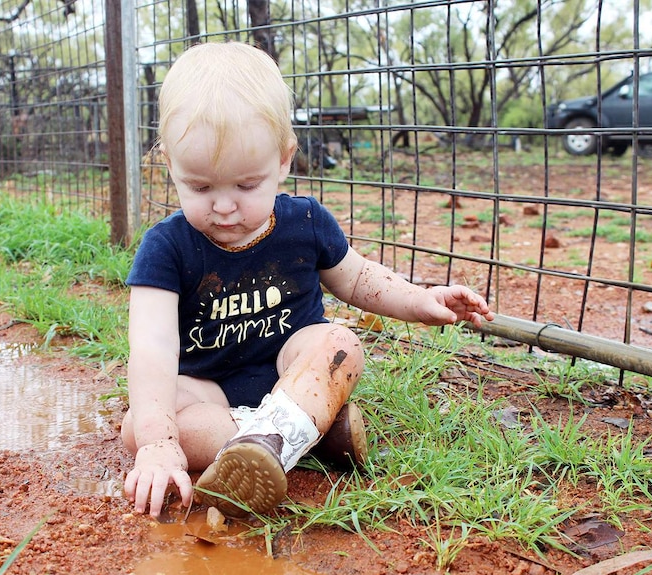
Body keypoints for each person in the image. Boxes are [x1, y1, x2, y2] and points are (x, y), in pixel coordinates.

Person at [121, 41, 494, 518]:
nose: (223, 205)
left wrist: (420, 300)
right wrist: (158, 442)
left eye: (246, 185)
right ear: (170, 164)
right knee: (139, 425)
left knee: (336, 341)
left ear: (283, 160)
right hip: (210, 391)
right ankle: (304, 440)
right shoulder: (166, 247)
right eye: (200, 187)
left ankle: (280, 436)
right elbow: (152, 347)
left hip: (293, 372)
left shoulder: (305, 222)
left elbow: (359, 280)